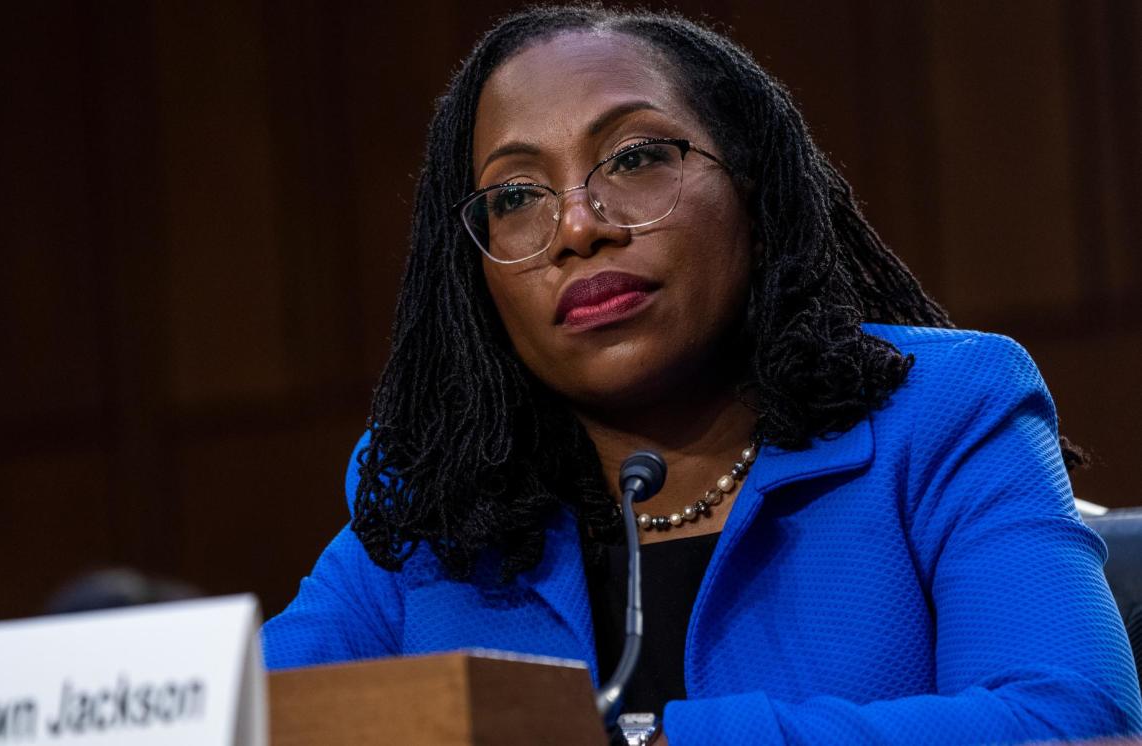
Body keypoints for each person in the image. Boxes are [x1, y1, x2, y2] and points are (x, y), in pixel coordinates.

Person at [262, 5, 1142, 743]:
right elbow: (228, 718)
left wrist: (656, 738)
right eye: (517, 196)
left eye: (637, 159)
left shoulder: (942, 412)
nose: (578, 226)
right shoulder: (438, 499)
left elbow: (1072, 720)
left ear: (753, 189)